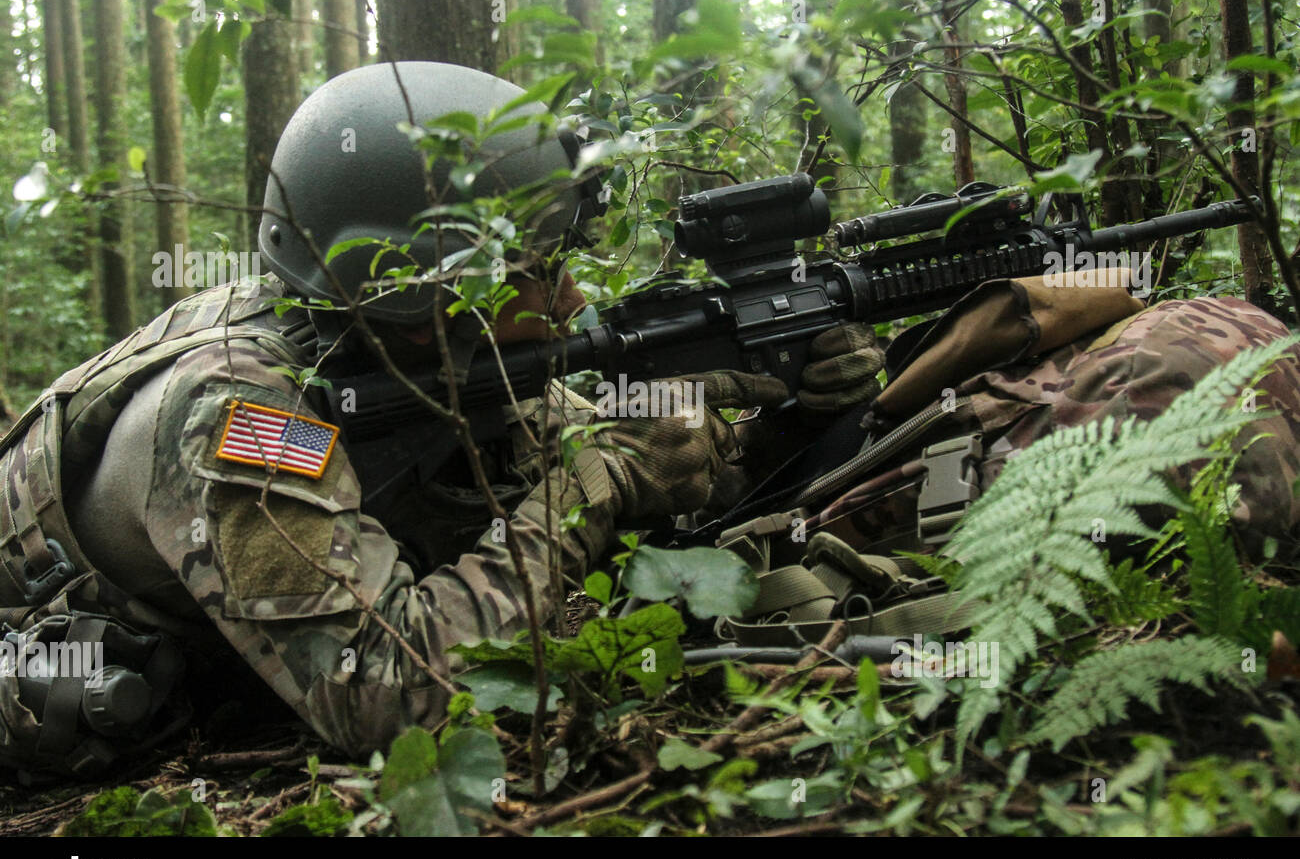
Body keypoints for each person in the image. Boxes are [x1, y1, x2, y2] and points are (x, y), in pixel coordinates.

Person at [0, 62, 886, 774]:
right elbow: (384, 693)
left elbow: (669, 477)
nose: (572, 297)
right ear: (425, 298)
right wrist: (594, 485)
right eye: (538, 269)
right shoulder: (242, 416)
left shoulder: (445, 358)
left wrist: (793, 415)